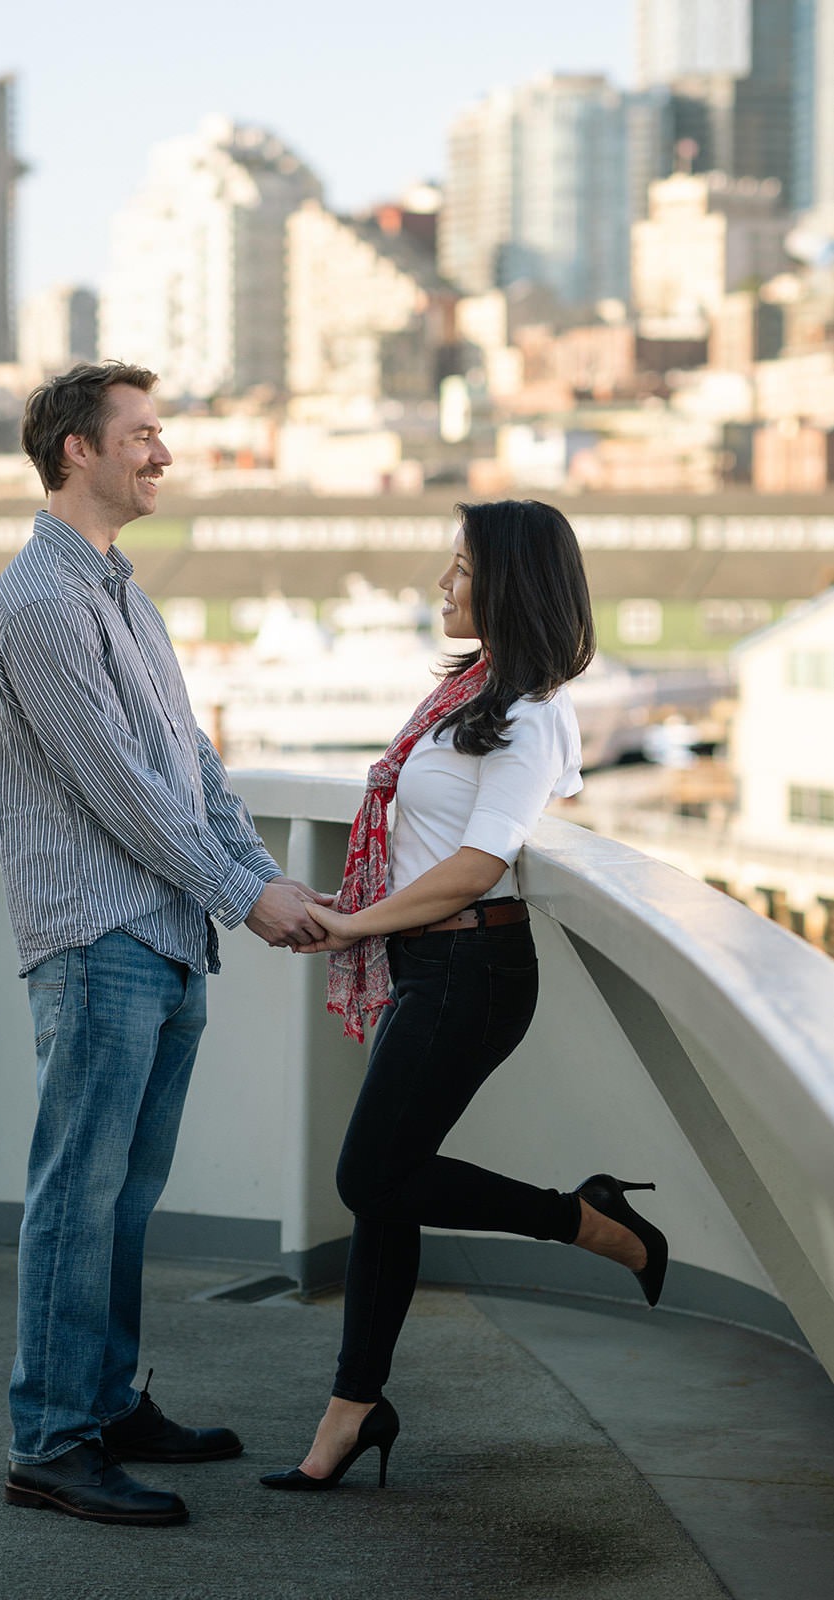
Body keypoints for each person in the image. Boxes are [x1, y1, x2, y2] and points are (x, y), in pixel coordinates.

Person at [0, 361, 327, 1527]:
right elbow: (123, 793)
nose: (161, 453)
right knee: (77, 1195)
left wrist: (259, 881)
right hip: (96, 941)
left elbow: (193, 766)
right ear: (77, 449)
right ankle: (54, 1439)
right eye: (142, 433)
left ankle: (109, 1401)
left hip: (164, 939)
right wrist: (244, 894)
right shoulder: (39, 604)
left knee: (121, 1199)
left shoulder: (125, 596)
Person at [260, 498, 669, 1493]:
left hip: (474, 971)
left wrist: (356, 924)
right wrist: (359, 908)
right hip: (425, 964)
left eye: (459, 568)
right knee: (388, 1192)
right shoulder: (467, 693)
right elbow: (427, 840)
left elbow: (483, 860)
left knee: (369, 1177)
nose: (442, 585)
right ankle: (352, 1412)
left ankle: (585, 1218)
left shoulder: (533, 714)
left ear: (508, 582)